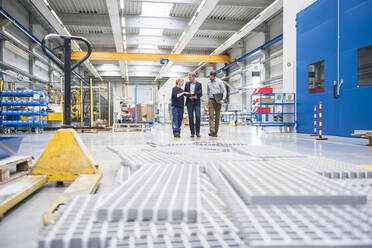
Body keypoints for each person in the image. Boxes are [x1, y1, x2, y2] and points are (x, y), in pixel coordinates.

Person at [207, 70, 227, 137]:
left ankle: (215, 131)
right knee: (211, 116)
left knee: (217, 117)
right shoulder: (208, 83)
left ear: (214, 76)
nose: (210, 77)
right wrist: (208, 101)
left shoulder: (220, 82)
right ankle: (212, 131)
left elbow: (224, 91)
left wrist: (223, 99)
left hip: (218, 100)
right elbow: (208, 93)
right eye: (209, 76)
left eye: (211, 76)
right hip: (211, 100)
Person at [184, 72, 202, 138]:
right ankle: (192, 133)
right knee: (190, 118)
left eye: (190, 77)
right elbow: (184, 92)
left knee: (198, 117)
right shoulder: (187, 84)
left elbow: (201, 93)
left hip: (196, 102)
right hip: (189, 102)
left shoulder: (199, 84)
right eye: (189, 77)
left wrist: (196, 97)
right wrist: (188, 95)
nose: (189, 78)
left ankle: (197, 132)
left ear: (194, 77)